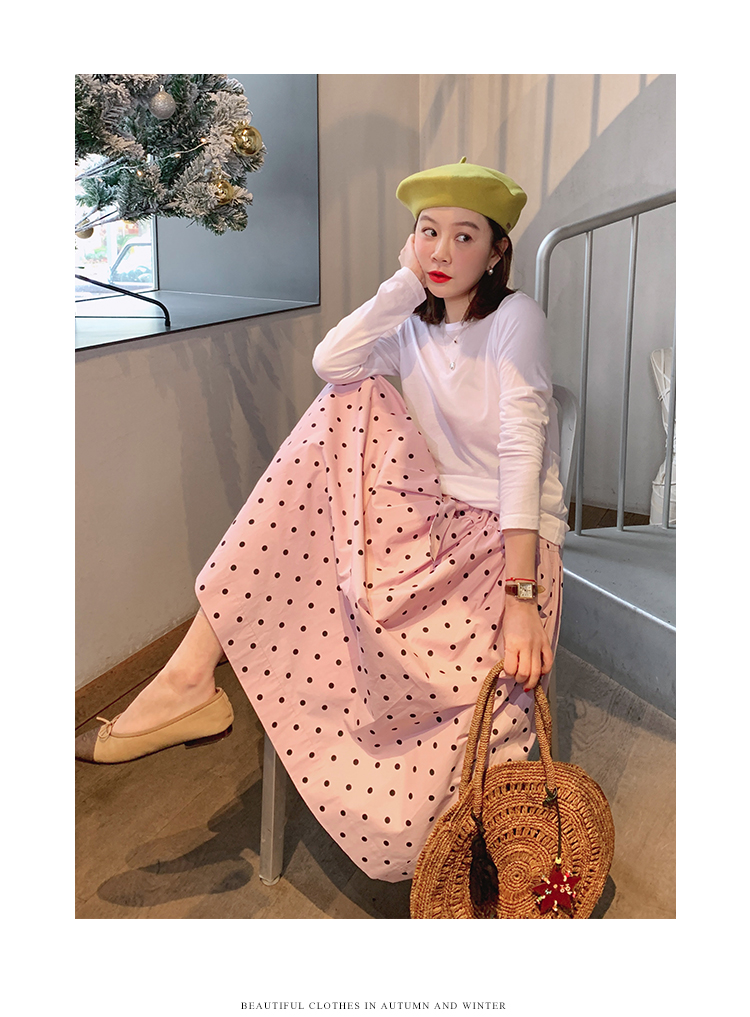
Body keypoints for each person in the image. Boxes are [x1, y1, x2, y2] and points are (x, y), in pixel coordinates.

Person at [76, 159, 568, 883]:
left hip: (500, 543)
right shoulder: (414, 317)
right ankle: (190, 673)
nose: (441, 251)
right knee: (346, 397)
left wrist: (522, 599)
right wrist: (402, 285)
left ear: (498, 251)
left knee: (346, 411)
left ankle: (193, 677)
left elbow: (524, 453)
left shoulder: (517, 319)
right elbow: (330, 360)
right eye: (427, 231)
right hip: (428, 518)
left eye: (464, 237)